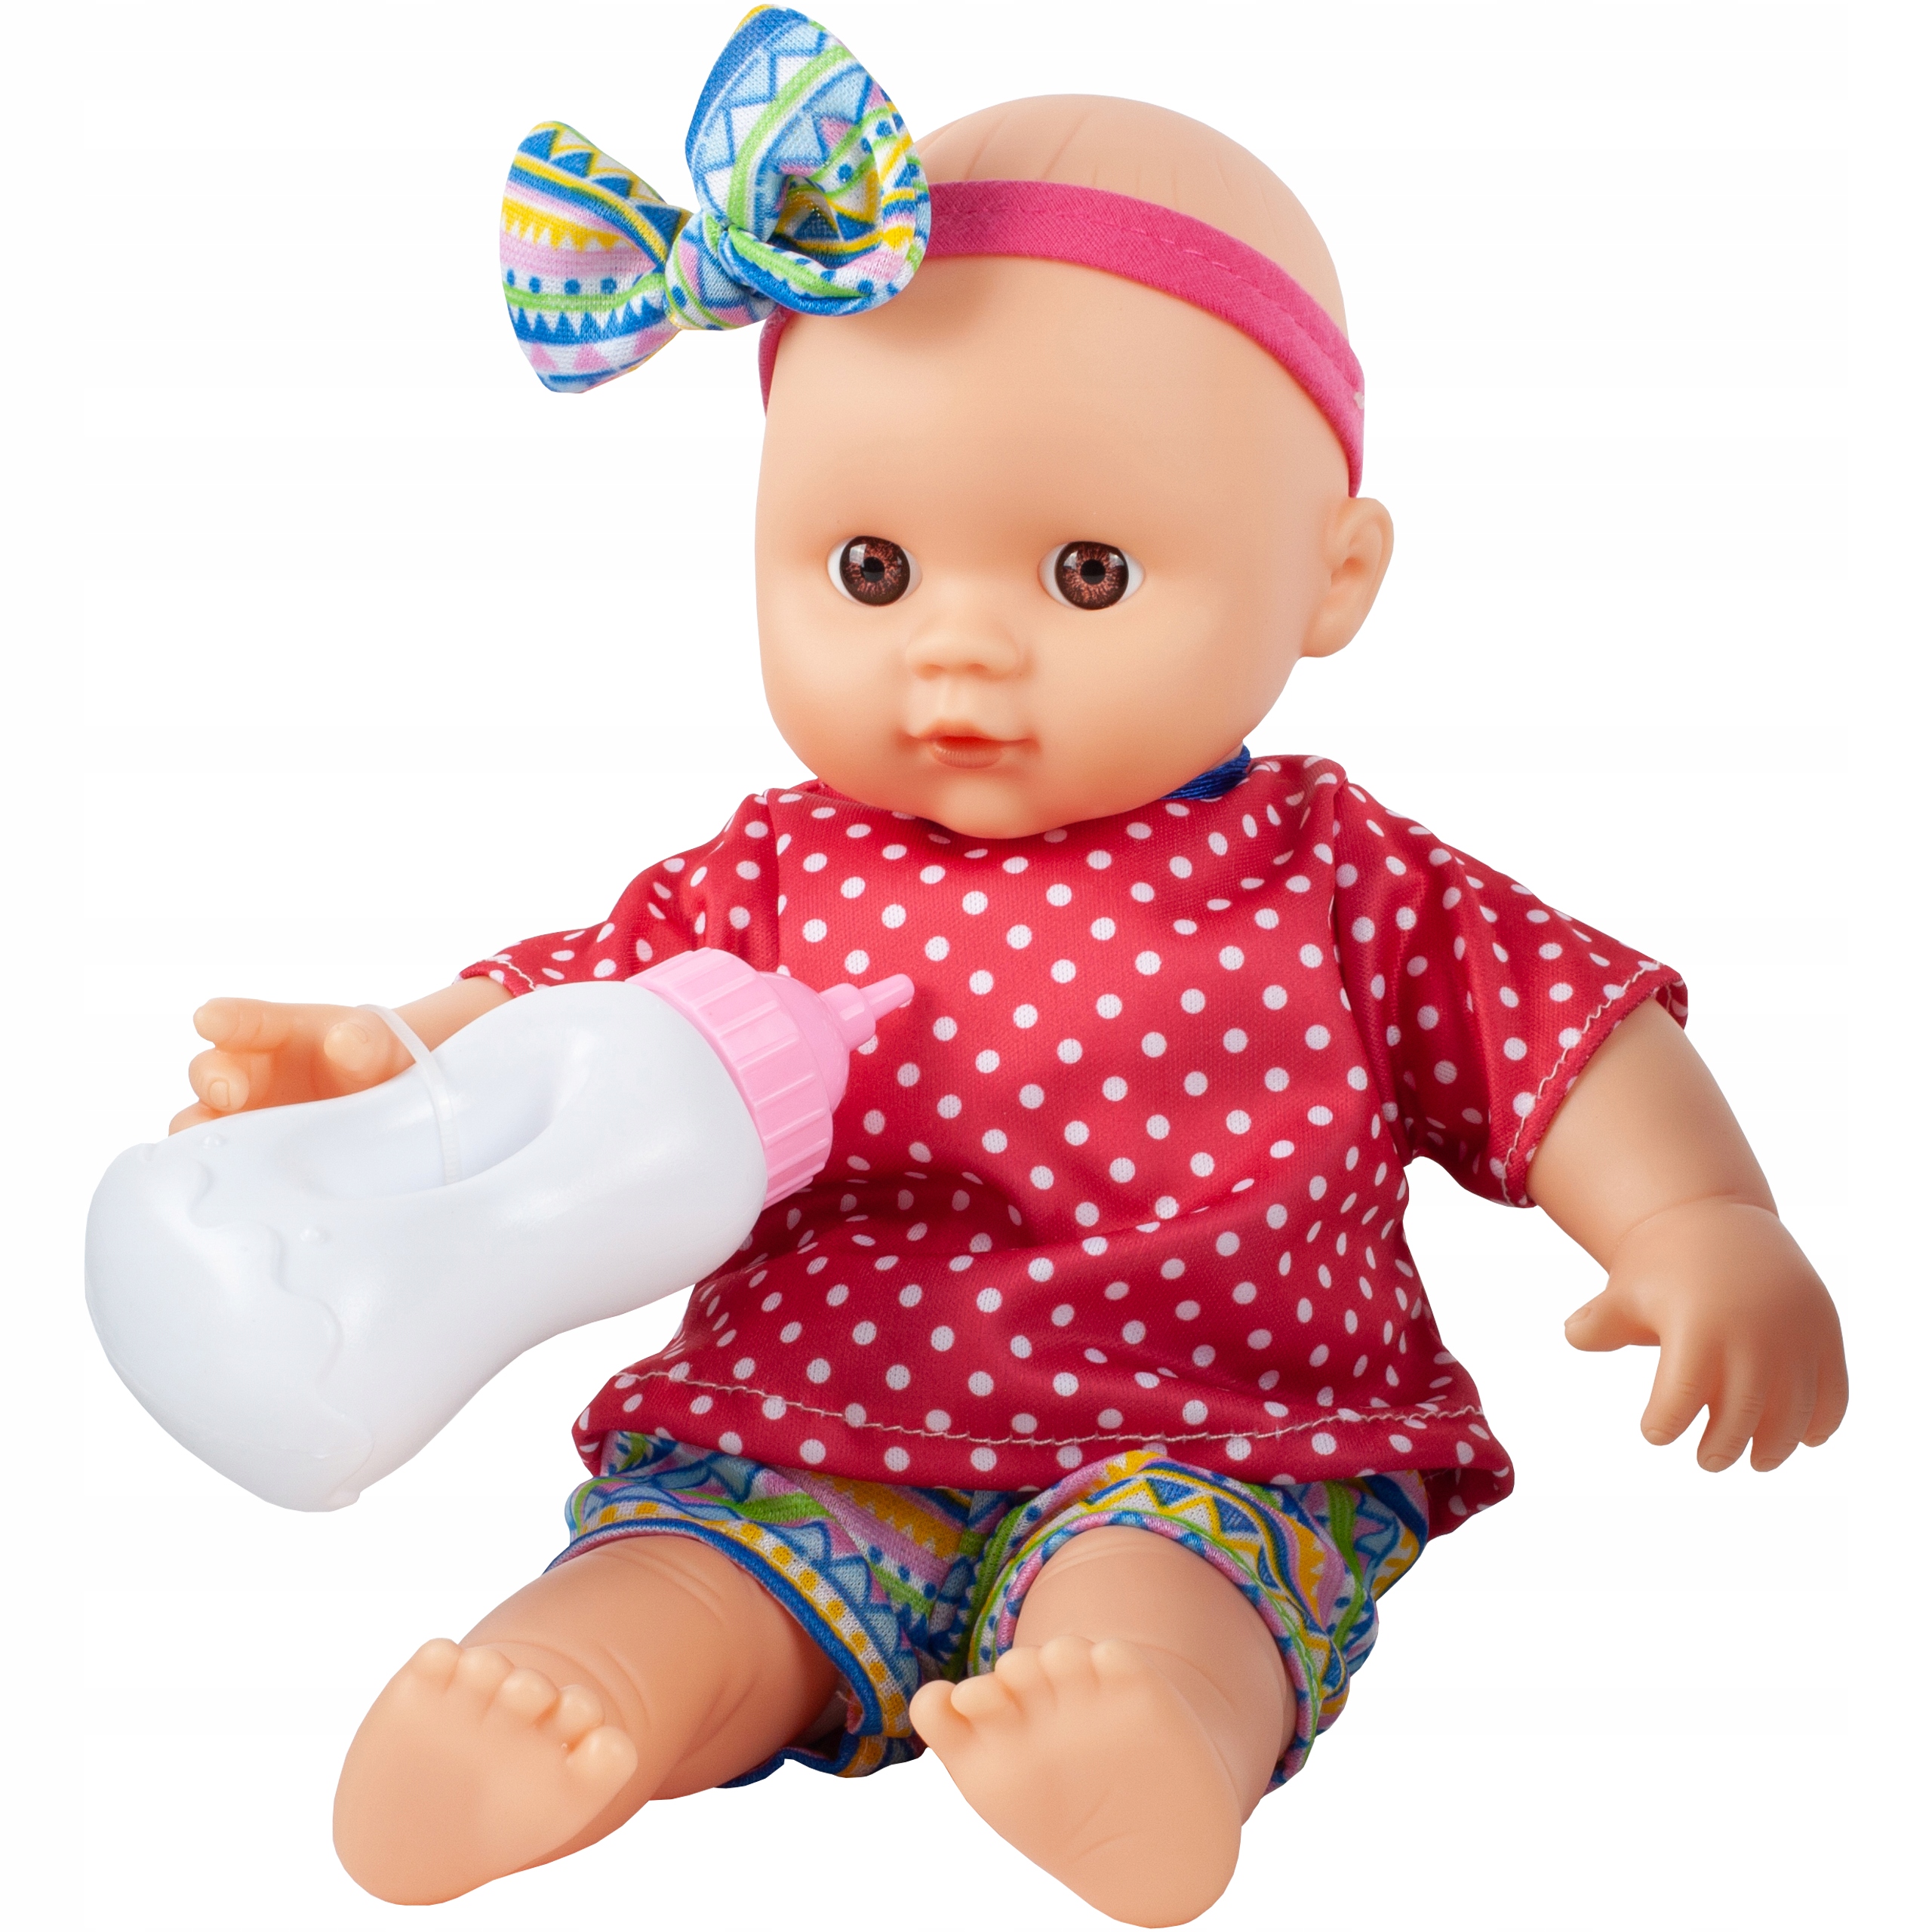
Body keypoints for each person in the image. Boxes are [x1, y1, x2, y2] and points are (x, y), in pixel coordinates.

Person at [171, 23, 1846, 1928]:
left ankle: (1150, 1729)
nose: (956, 651)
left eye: (1085, 574)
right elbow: (577, 1017)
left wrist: (1698, 1219)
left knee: (1166, 1588)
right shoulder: (774, 866)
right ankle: (578, 1702)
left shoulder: (1338, 875)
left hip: (1213, 1432)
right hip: (805, 1416)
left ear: (1330, 575)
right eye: (871, 570)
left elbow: (1565, 1040)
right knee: (701, 1568)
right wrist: (393, 1054)